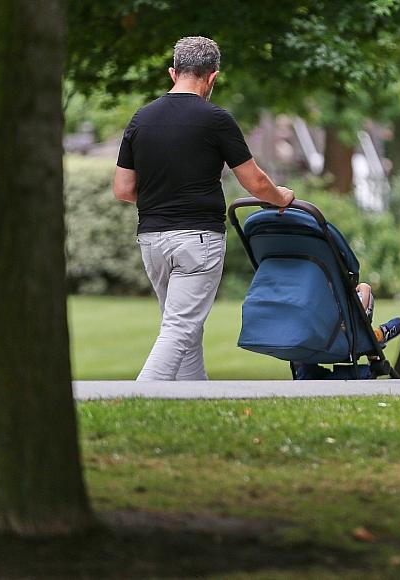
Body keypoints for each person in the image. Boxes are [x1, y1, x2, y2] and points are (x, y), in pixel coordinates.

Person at [113, 36, 294, 381]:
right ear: (212, 77)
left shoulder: (141, 119)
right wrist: (282, 197)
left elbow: (123, 189)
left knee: (185, 328)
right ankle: (138, 398)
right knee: (180, 328)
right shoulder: (215, 119)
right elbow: (255, 183)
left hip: (152, 241)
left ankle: (194, 398)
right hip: (197, 240)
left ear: (172, 72)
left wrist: (163, 196)